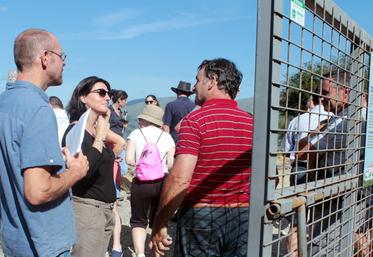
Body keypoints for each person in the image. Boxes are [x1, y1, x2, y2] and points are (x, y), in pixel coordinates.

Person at [150, 58, 253, 257]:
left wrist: (159, 222)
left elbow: (180, 179)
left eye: (198, 80)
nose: (195, 86)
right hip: (243, 218)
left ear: (212, 81)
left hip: (202, 218)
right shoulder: (252, 122)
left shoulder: (195, 120)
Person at [0, 28, 89, 257]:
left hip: (15, 239)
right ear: (45, 57)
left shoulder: (5, 103)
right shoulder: (38, 109)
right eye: (62, 56)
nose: (64, 63)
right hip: (41, 244)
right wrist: (75, 172)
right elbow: (38, 191)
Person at [297, 70, 366, 256]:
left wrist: (316, 131)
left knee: (324, 247)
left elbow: (301, 153)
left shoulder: (345, 121)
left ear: (345, 92)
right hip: (349, 193)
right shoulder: (350, 116)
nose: (321, 99)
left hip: (336, 197)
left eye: (326, 93)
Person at [63, 76, 126, 257]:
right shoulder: (75, 132)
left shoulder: (97, 131)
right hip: (88, 211)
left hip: (105, 211)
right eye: (101, 93)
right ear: (83, 97)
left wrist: (103, 132)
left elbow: (120, 143)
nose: (107, 97)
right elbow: (83, 171)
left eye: (109, 94)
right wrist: (100, 138)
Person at [126, 104, 175, 257]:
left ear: (144, 120)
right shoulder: (167, 137)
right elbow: (170, 164)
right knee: (160, 220)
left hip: (141, 182)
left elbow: (128, 159)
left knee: (138, 220)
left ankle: (140, 254)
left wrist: (143, 163)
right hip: (162, 182)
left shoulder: (135, 133)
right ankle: (157, 254)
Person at [286, 93, 332, 185]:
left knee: (297, 197)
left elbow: (287, 149)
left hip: (299, 166)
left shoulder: (296, 120)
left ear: (312, 101)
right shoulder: (333, 117)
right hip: (324, 167)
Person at [109, 89, 129, 257]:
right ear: (119, 99)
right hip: (112, 147)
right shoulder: (109, 111)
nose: (126, 103)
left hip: (118, 147)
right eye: (124, 100)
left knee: (120, 170)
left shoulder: (119, 112)